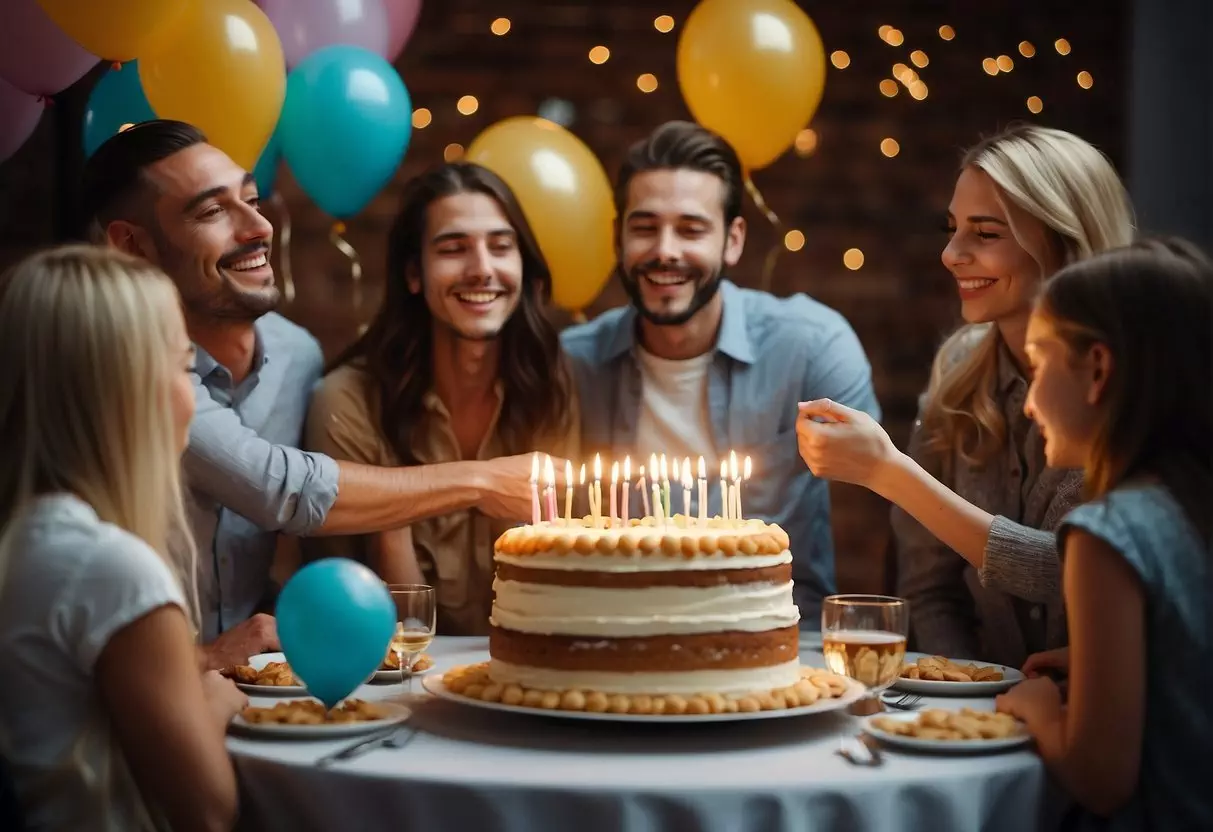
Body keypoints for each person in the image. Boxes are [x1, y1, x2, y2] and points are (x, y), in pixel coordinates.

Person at [80, 121, 548, 667]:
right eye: (212, 212)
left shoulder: (298, 356)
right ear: (132, 245)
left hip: (257, 690)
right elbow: (276, 487)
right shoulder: (126, 367)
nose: (257, 227)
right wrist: (480, 480)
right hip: (130, 695)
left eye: (252, 200)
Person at [797, 124, 1135, 668]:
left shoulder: (1127, 385)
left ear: (1063, 241)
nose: (952, 254)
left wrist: (889, 471)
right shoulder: (958, 369)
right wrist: (966, 693)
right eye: (953, 229)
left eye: (986, 233)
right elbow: (927, 586)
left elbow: (1075, 572)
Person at [562, 120, 880, 624]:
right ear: (618, 238)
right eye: (644, 227)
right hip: (616, 643)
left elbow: (892, 499)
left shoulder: (810, 346)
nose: (665, 250)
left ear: (732, 241)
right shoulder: (573, 364)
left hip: (777, 646)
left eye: (690, 229)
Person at [0, 246, 245, 832]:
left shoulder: (28, 539)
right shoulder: (108, 567)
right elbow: (209, 813)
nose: (196, 396)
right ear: (128, 390)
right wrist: (213, 698)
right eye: (186, 367)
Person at [306, 162, 578, 634]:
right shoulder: (348, 401)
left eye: (500, 246)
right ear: (414, 273)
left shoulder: (547, 386)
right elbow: (393, 630)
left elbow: (558, 587)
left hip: (525, 669)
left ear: (523, 267)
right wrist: (393, 512)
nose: (482, 270)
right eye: (454, 249)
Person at [996, 238, 1212, 829]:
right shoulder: (1191, 505)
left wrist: (1038, 709)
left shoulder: (1105, 534)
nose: (1030, 405)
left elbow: (1100, 775)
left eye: (1040, 365)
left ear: (1097, 369)